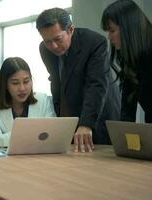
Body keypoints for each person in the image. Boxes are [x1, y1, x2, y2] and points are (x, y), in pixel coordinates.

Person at [36, 8, 120, 152]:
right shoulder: (45, 49)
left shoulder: (94, 42)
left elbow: (96, 85)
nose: (53, 46)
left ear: (71, 30)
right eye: (47, 41)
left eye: (58, 39)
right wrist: (59, 115)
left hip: (99, 113)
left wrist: (86, 123)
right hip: (71, 115)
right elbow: (57, 81)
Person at [101, 0, 152, 143]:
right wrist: (125, 141)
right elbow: (128, 105)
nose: (109, 37)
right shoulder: (131, 56)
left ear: (128, 28)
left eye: (112, 30)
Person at [0, 57, 56, 148]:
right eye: (15, 83)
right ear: (5, 84)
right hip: (7, 159)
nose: (22, 88)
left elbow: (53, 134)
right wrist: (31, 132)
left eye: (26, 81)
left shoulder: (43, 99)